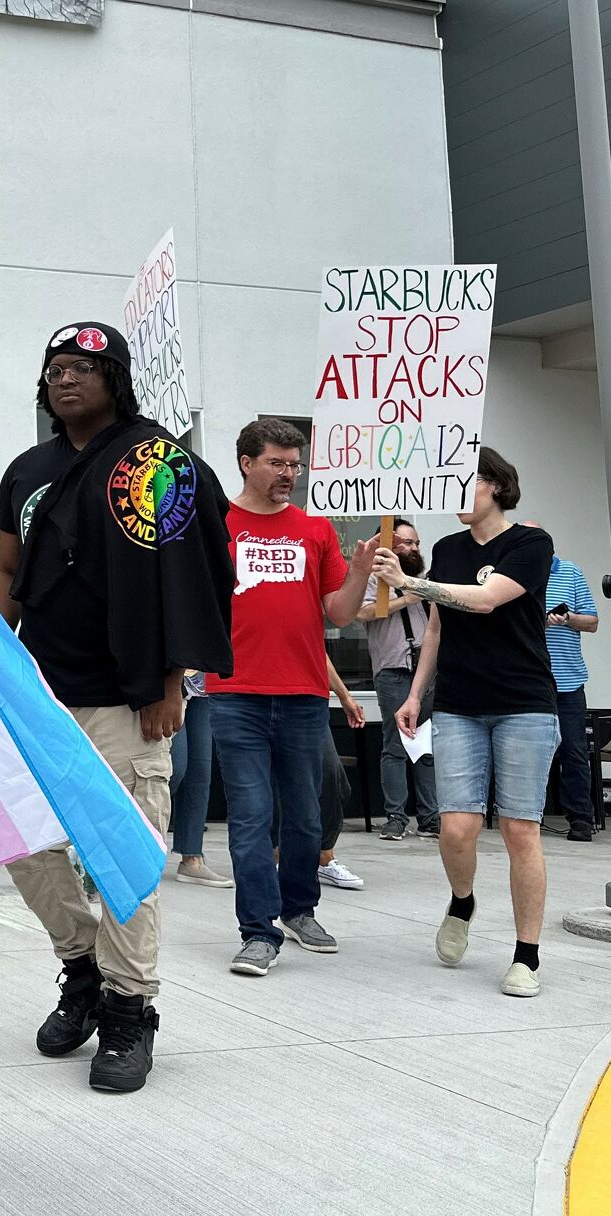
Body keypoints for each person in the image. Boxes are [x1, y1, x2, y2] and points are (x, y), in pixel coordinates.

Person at [0, 321, 234, 1091]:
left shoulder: (159, 463)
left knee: (124, 865)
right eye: (54, 368)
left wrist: (172, 685)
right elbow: (3, 569)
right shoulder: (28, 469)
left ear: (117, 379)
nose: (65, 379)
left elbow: (194, 576)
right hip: (39, 699)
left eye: (84, 368)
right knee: (25, 846)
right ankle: (84, 968)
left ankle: (129, 1012)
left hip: (127, 702)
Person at [372, 447, 557, 999]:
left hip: (523, 701)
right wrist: (414, 693)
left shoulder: (530, 542)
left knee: (521, 828)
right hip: (456, 704)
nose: (453, 496)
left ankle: (527, 955)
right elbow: (436, 630)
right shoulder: (449, 549)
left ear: (496, 485)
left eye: (464, 483)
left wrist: (414, 582)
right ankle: (463, 901)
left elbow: (486, 600)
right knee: (456, 827)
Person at [206, 419, 376, 978]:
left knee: (305, 818)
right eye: (277, 463)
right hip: (236, 694)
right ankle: (258, 932)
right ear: (246, 463)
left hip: (304, 694)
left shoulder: (316, 530)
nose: (289, 474)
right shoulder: (217, 525)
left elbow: (342, 614)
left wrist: (356, 572)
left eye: (295, 464)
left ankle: (300, 909)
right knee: (251, 819)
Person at [363, 519, 439, 841]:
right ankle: (395, 816)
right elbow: (365, 613)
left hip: (426, 671)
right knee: (396, 744)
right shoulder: (375, 580)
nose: (413, 549)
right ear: (391, 548)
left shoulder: (422, 582)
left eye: (416, 543)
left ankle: (430, 816)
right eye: (406, 543)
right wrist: (406, 599)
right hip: (393, 671)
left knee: (425, 745)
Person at [529, 524, 601, 840]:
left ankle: (581, 820)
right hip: (528, 679)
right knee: (529, 752)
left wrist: (567, 618)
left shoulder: (570, 572)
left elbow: (593, 621)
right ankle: (527, 818)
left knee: (573, 750)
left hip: (568, 679)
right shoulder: (512, 572)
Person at [169, 670, 230, 886]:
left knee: (199, 772)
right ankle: (129, 849)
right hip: (169, 676)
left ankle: (191, 858)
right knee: (175, 769)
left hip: (203, 679)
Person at [319, 660, 365, 891]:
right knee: (273, 777)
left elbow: (319, 650)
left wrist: (344, 696)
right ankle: (275, 855)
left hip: (306, 697)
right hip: (254, 693)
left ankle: (323, 857)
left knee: (333, 777)